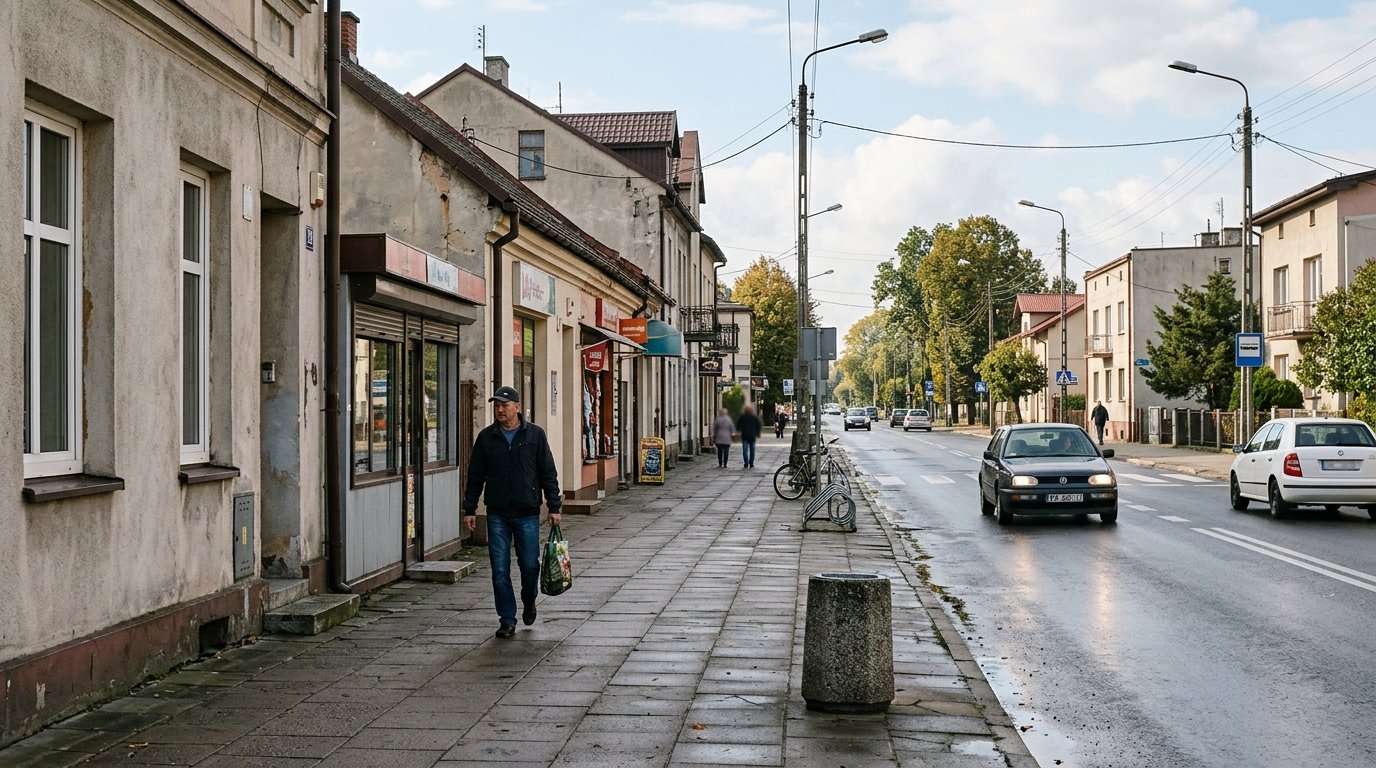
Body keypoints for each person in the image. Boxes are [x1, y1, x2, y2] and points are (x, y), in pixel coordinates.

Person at [462, 386, 562, 639]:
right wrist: (470, 508)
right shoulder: (487, 438)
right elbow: (475, 475)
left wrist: (554, 506)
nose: (499, 410)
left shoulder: (535, 435)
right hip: (497, 514)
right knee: (499, 570)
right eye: (496, 405)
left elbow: (547, 472)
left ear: (517, 407)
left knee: (529, 565)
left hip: (527, 512)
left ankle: (529, 599)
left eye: (504, 405)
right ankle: (507, 619)